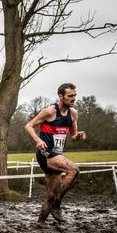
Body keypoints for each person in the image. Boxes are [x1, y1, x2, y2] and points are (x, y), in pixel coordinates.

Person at [25, 83, 86, 222]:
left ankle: (40, 223)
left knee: (51, 195)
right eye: (70, 96)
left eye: (75, 96)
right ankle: (57, 205)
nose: (73, 99)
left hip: (57, 155)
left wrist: (78, 136)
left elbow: (73, 135)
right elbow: (28, 126)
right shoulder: (50, 111)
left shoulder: (73, 113)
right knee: (74, 170)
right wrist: (38, 140)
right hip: (45, 153)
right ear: (60, 96)